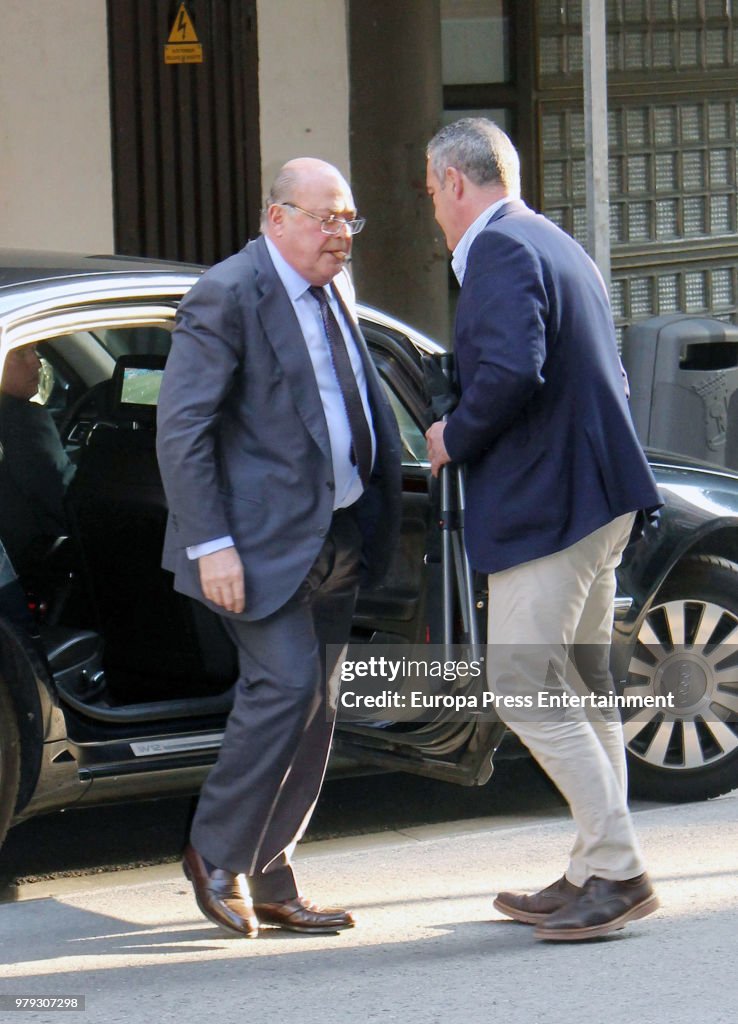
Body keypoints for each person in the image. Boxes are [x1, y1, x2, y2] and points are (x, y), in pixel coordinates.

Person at [424, 118, 662, 942]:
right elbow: (611, 370)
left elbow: (510, 370)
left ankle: (620, 868)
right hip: (600, 497)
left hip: (550, 506)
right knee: (585, 687)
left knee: (524, 684)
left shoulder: (498, 249)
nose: (434, 212)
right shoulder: (555, 240)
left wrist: (452, 433)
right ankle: (596, 867)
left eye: (431, 194)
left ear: (456, 183)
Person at [156, 157, 401, 937]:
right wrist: (211, 544)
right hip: (254, 543)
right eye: (325, 218)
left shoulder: (336, 290)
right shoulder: (228, 292)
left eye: (348, 219)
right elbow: (182, 430)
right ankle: (213, 852)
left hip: (338, 530)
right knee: (286, 688)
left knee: (319, 707)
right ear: (276, 218)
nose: (340, 235)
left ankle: (270, 872)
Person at [0, 345, 75, 578]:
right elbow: (63, 497)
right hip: (28, 568)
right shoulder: (23, 419)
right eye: (21, 353)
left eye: (34, 353)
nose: (37, 363)